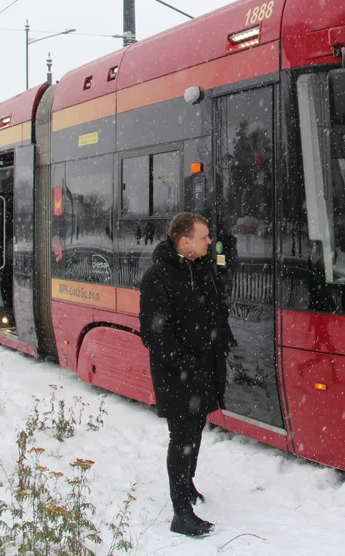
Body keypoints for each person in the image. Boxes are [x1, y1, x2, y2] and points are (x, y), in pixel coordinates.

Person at [139, 212, 235, 537]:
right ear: (184, 242)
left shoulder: (202, 269)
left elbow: (213, 313)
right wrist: (186, 363)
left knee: (195, 431)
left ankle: (188, 484)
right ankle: (181, 513)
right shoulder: (158, 277)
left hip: (204, 369)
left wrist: (221, 343)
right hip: (176, 375)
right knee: (181, 438)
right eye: (204, 236)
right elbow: (154, 335)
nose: (211, 241)